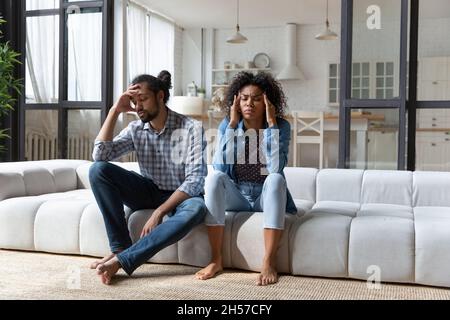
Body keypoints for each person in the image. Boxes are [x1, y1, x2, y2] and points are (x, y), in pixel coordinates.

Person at [89, 71, 207, 285]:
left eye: (143, 99)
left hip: (182, 197)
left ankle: (123, 259)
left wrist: (160, 212)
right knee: (98, 170)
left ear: (160, 97)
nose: (138, 106)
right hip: (149, 190)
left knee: (197, 208)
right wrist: (115, 110)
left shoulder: (191, 128)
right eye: (134, 101)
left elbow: (195, 181)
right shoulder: (136, 128)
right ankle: (120, 248)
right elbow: (99, 156)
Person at [195, 71, 297, 286]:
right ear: (236, 101)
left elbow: (276, 168)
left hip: (264, 196)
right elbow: (220, 167)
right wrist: (232, 126)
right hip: (238, 195)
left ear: (268, 101)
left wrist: (271, 125)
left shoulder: (281, 126)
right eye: (244, 98)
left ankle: (268, 261)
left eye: (257, 98)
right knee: (214, 178)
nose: (250, 103)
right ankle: (216, 259)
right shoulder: (228, 125)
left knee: (277, 179)